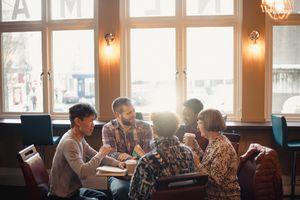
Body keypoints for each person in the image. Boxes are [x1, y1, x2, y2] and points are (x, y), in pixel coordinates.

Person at [49, 103, 124, 200]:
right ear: (78, 121)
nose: (93, 125)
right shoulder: (70, 142)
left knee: (103, 197)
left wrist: (118, 163)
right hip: (62, 196)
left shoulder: (79, 138)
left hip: (74, 191)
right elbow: (82, 171)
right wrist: (101, 154)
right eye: (91, 120)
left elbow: (96, 155)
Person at [129, 111, 196, 200]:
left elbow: (135, 195)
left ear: (154, 129)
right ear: (176, 128)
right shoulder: (188, 152)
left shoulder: (147, 160)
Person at [102, 97, 153, 200]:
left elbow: (148, 152)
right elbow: (110, 153)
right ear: (117, 115)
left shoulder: (145, 127)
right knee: (121, 190)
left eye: (134, 110)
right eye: (129, 113)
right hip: (118, 173)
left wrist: (126, 157)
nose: (133, 114)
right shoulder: (108, 128)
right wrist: (129, 159)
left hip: (142, 173)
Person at [184, 108, 240, 200]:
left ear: (208, 123)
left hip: (222, 196)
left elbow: (214, 181)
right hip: (211, 194)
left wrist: (197, 163)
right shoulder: (214, 141)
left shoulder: (223, 147)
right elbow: (207, 162)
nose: (197, 127)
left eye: (200, 123)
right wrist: (196, 147)